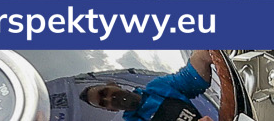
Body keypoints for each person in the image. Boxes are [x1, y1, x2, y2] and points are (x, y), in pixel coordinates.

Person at [78, 52, 229, 121]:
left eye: (105, 92)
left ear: (113, 85)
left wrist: (205, 54)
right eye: (104, 102)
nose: (110, 98)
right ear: (110, 109)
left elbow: (192, 77)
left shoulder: (158, 88)